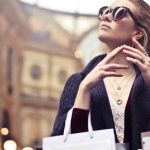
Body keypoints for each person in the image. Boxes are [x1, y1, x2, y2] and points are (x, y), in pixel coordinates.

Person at [51, 0, 150, 150]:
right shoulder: (78, 81)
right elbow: (63, 140)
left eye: (119, 12)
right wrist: (84, 90)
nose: (106, 17)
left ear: (137, 32)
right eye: (105, 11)